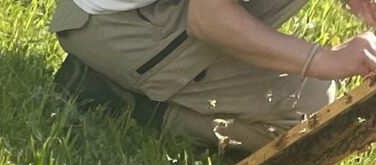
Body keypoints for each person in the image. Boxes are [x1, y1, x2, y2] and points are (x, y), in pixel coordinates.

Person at [50, 0, 376, 152]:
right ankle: (119, 100)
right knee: (309, 109)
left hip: (122, 16)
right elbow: (208, 19)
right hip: (108, 28)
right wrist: (320, 60)